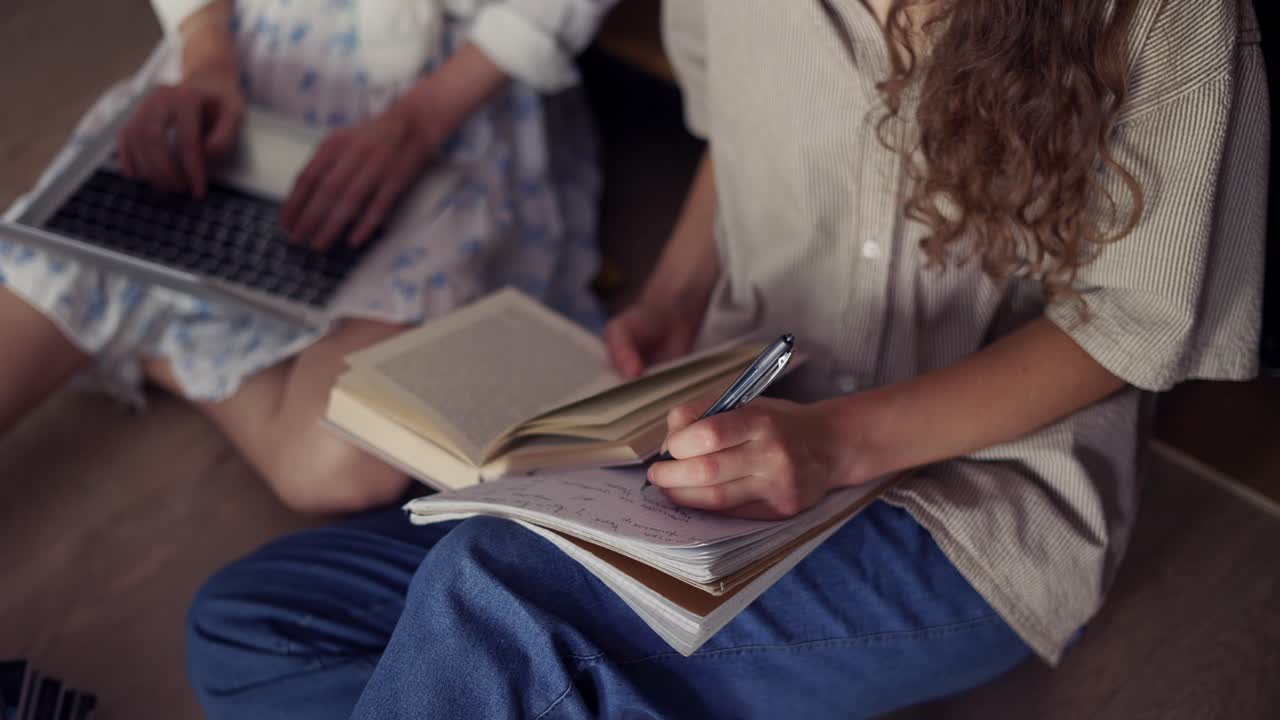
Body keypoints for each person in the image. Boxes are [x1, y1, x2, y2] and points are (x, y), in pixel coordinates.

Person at [184, 0, 1269, 717]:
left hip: (968, 506)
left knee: (493, 601)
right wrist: (669, 294)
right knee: (253, 630)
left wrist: (838, 441)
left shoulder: (1167, 14)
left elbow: (1133, 326)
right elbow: (735, 136)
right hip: (723, 420)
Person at [0, 0, 616, 514]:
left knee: (342, 464)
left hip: (463, 86)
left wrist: (421, 123)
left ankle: (152, 344)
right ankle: (169, 325)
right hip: (252, 44)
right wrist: (205, 55)